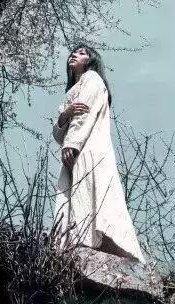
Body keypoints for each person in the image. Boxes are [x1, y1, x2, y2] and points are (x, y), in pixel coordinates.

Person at [52, 44, 144, 262]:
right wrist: (65, 115)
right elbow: (57, 134)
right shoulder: (72, 91)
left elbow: (84, 112)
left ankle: (86, 241)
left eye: (82, 52)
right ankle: (76, 242)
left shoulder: (92, 79)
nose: (74, 54)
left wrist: (72, 143)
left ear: (92, 61)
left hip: (87, 147)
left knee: (91, 191)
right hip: (76, 150)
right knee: (79, 194)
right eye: (73, 52)